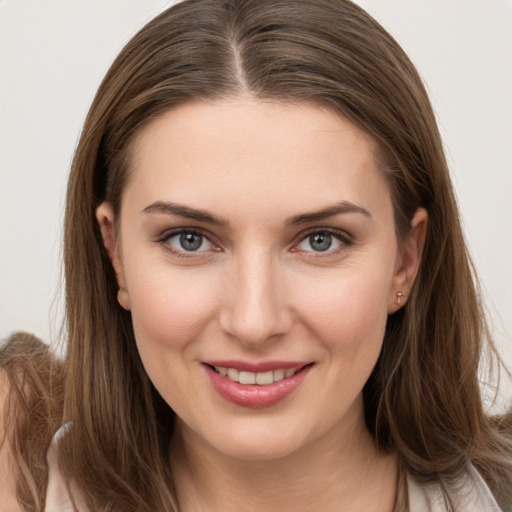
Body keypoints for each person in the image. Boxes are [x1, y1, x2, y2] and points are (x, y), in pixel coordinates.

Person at [1, 0, 511, 510]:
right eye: (190, 239)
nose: (253, 322)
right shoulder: (16, 467)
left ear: (405, 258)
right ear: (115, 253)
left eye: (320, 240)